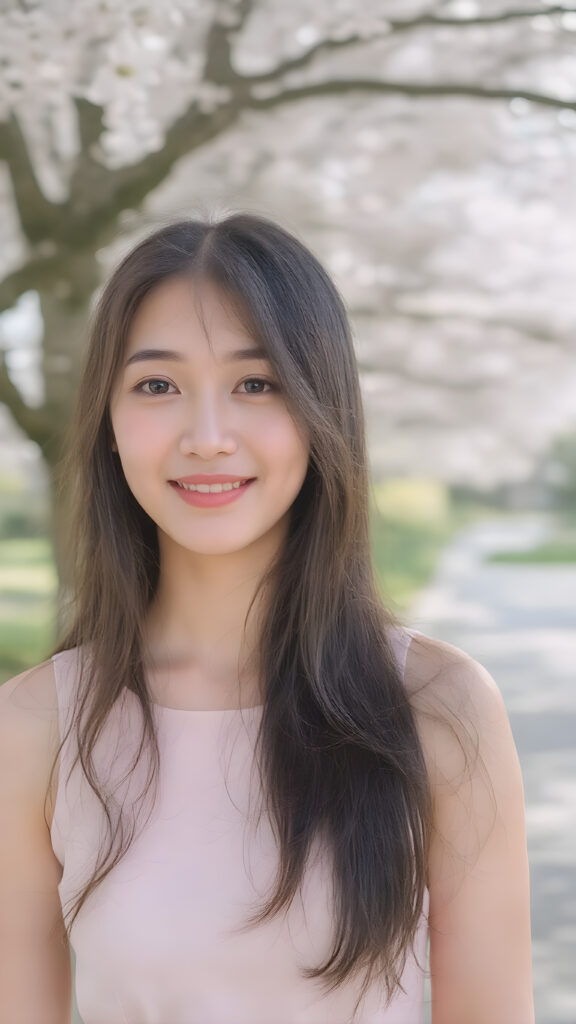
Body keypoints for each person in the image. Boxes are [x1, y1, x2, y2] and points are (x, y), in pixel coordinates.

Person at [0, 213, 533, 1024]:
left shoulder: (439, 705)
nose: (208, 438)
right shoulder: (37, 726)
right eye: (157, 386)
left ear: (324, 413)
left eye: (257, 383)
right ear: (109, 425)